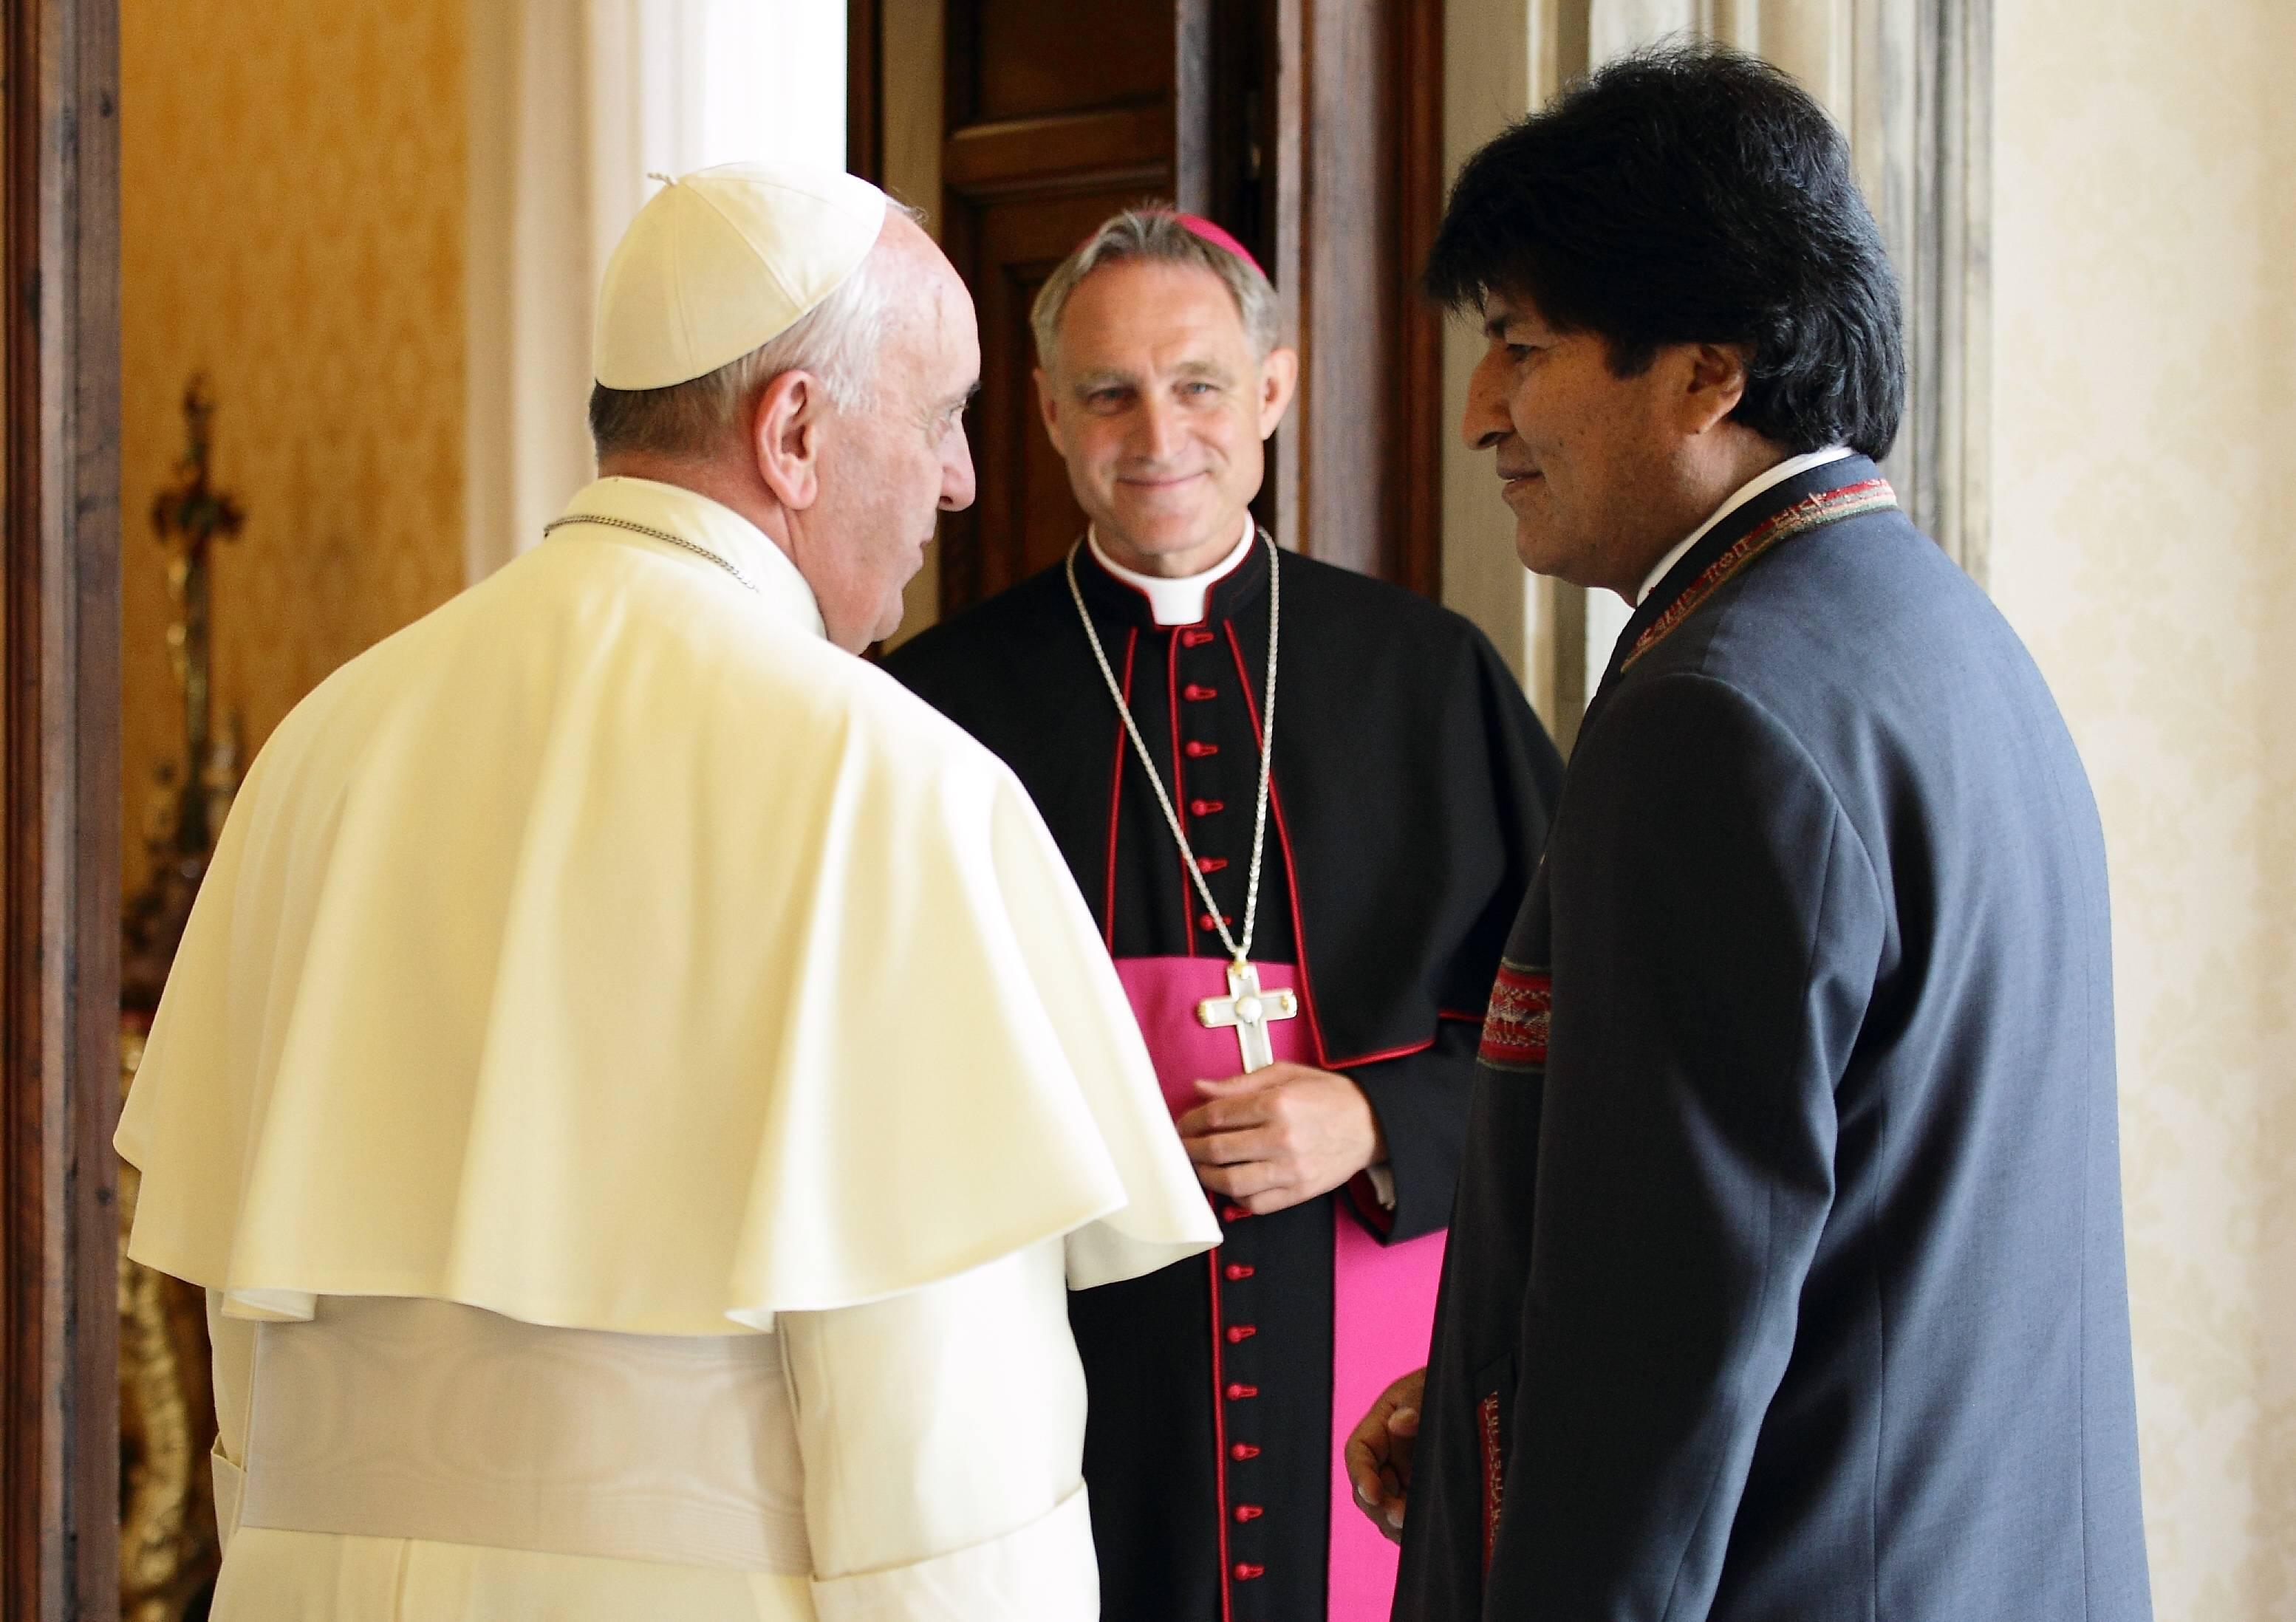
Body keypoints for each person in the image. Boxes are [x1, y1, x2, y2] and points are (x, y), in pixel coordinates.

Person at [113, 162, 1219, 1622]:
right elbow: (945, 1445)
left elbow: (250, 1364)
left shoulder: (327, 744)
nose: (960, 478)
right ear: (798, 431)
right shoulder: (883, 785)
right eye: (943, 416)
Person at [1344, 44, 2153, 1622]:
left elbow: (1662, 1358)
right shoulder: (1933, 633)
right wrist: (1486, 1423)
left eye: (1521, 345)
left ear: (1708, 371)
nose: (1478, 413)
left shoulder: (1719, 719)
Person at [887, 208, 1561, 1622]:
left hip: (1371, 1344)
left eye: (1197, 383)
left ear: (1272, 389)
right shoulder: (944, 706)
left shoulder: (1429, 680)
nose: (1157, 432)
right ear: (1052, 416)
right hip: (1072, 1357)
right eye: (1107, 392)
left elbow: (1580, 1024)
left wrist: (1384, 1120)